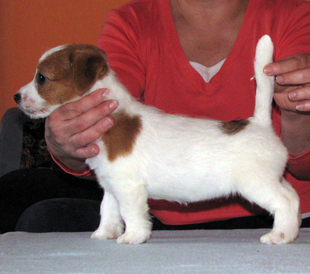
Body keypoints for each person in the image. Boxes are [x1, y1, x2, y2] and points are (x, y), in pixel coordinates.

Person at [4, 0, 310, 232]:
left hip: (262, 215)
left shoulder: (294, 13)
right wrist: (66, 140)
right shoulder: (132, 20)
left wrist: (298, 113)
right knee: (19, 191)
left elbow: (303, 165)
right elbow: (108, 132)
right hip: (164, 209)